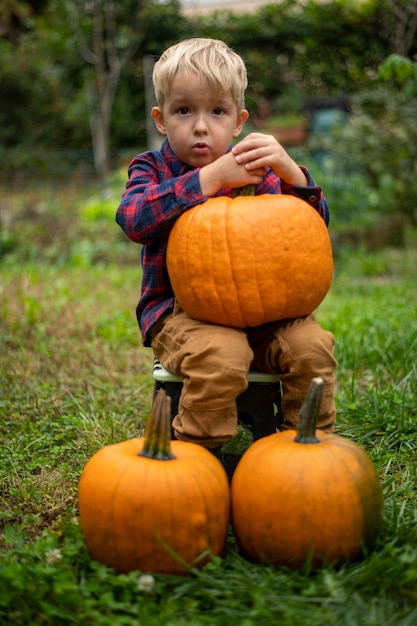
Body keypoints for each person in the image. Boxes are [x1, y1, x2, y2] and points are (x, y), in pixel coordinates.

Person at [116, 37, 337, 453]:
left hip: (268, 315)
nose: (201, 126)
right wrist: (211, 179)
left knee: (312, 349)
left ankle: (307, 449)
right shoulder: (153, 167)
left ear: (238, 121)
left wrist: (293, 174)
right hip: (182, 315)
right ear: (162, 120)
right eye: (184, 111)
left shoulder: (256, 170)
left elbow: (312, 227)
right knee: (221, 353)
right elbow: (133, 218)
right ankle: (198, 453)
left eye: (217, 111)